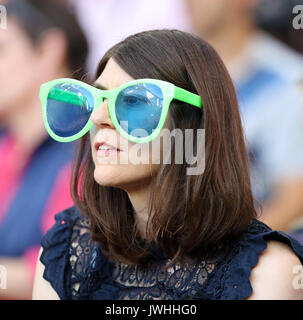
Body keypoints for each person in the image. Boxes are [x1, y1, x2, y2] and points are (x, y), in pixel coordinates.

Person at [32, 29, 303, 300]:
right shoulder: (66, 250)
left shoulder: (269, 274)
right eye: (98, 99)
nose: (99, 116)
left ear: (195, 123)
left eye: (135, 100)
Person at [185, 0, 303, 233]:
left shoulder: (287, 79)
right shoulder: (169, 71)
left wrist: (224, 252)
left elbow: (294, 199)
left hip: (246, 248)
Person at [0, 0, 88, 299]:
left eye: (1, 50)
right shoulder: (6, 147)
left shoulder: (92, 149)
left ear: (49, 52)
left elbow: (63, 268)